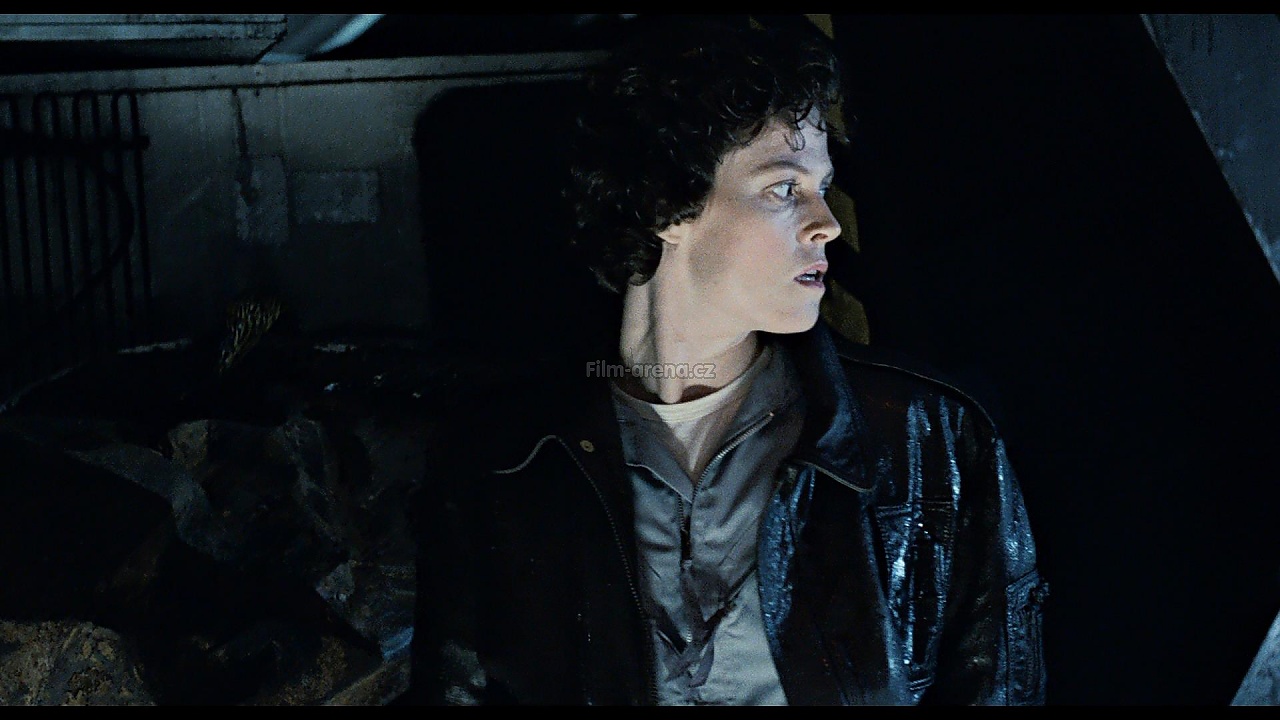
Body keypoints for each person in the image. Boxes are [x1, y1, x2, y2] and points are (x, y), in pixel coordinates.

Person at [406, 16, 1047, 706]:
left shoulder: (929, 438)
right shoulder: (502, 462)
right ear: (665, 205)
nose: (827, 223)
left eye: (823, 186)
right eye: (784, 188)